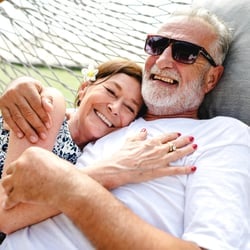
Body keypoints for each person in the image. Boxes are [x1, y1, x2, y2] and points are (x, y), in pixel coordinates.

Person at [1, 7, 250, 250]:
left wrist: (73, 189)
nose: (163, 60)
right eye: (157, 45)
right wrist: (24, 87)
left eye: (186, 53)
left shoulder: (223, 136)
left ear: (211, 78)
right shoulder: (114, 125)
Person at [0, 58, 197, 235]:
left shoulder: (92, 157)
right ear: (84, 88)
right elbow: (5, 210)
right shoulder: (52, 105)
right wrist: (113, 171)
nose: (115, 107)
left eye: (129, 107)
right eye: (111, 91)